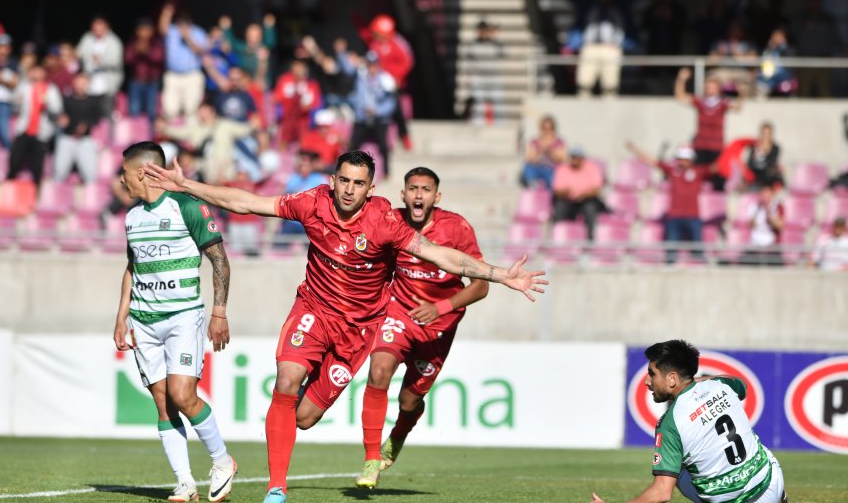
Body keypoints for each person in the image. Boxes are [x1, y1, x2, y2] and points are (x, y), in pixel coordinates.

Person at [143, 150, 548, 503]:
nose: (350, 190)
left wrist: (500, 275)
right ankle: (276, 488)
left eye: (360, 183)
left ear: (371, 188)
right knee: (286, 380)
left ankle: (308, 402)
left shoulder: (384, 221)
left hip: (357, 331)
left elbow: (442, 256)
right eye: (345, 181)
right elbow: (247, 202)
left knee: (303, 417)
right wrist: (188, 185)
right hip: (314, 311)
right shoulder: (311, 203)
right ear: (332, 181)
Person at [113, 142, 237, 503]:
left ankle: (222, 460)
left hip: (183, 316)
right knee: (163, 403)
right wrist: (121, 316)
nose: (121, 182)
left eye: (124, 174)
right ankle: (185, 483)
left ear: (141, 172)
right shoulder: (132, 217)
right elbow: (132, 268)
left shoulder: (187, 205)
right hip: (144, 322)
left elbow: (220, 260)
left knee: (183, 395)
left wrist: (219, 312)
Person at [354, 166, 489, 488]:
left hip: (438, 326)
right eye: (412, 188)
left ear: (436, 197)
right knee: (378, 370)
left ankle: (399, 434)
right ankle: (371, 458)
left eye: (425, 189)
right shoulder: (392, 221)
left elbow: (481, 286)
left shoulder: (455, 228)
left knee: (409, 401)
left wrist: (439, 308)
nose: (418, 194)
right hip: (398, 313)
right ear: (403, 194)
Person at [590, 340, 787, 503]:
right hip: (770, 481)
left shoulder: (670, 423)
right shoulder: (721, 386)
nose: (647, 381)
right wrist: (694, 384)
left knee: (677, 469)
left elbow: (661, 493)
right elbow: (740, 384)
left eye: (652, 374)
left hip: (734, 500)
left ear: (672, 379)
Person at [626, 142, 711, 264]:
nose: (681, 162)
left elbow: (716, 167)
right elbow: (652, 161)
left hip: (693, 217)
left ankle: (704, 269)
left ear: (691, 160)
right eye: (680, 159)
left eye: (685, 159)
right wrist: (635, 149)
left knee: (698, 250)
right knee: (671, 251)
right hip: (674, 217)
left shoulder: (698, 172)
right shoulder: (672, 171)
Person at [561, 0, 644, 97]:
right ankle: (583, 102)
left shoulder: (620, 5)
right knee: (584, 83)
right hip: (590, 47)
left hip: (611, 48)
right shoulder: (587, 5)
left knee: (610, 86)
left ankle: (610, 103)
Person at [674, 67, 741, 191]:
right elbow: (680, 96)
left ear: (718, 89)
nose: (709, 89)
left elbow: (738, 107)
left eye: (712, 86)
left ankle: (718, 208)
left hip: (716, 148)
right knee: (697, 179)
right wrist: (681, 80)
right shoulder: (700, 102)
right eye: (707, 86)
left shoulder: (723, 104)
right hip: (701, 147)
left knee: (718, 181)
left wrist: (740, 92)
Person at [360, 14, 413, 150]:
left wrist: (395, 77)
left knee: (397, 112)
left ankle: (404, 136)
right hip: (377, 85)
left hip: (394, 85)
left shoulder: (398, 43)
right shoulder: (374, 44)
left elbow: (407, 62)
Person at [344, 51, 396, 177]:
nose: (372, 67)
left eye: (374, 65)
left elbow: (391, 103)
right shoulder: (361, 77)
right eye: (369, 64)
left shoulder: (386, 80)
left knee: (383, 146)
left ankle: (387, 172)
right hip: (362, 117)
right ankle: (347, 169)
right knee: (353, 144)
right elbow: (346, 68)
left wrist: (377, 110)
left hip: (379, 119)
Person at [8, 65, 62, 187]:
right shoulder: (24, 86)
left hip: (41, 132)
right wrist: (18, 101)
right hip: (24, 129)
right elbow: (14, 106)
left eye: (39, 71)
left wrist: (47, 103)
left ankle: (36, 191)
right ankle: (9, 185)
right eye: (34, 71)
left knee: (38, 165)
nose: (37, 74)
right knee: (14, 160)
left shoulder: (51, 89)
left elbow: (57, 110)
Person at [159, 4, 208, 120]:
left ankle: (190, 137)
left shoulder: (199, 32)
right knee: (170, 109)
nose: (182, 26)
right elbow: (162, 29)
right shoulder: (173, 31)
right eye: (180, 23)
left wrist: (188, 38)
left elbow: (200, 51)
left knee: (191, 110)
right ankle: (172, 136)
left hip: (192, 76)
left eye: (185, 23)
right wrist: (166, 13)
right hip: (173, 75)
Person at [792, 0, 843, 98]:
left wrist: (842, 50)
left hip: (824, 61)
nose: (816, 2)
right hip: (805, 61)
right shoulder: (801, 18)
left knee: (825, 92)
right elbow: (793, 37)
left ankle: (829, 114)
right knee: (803, 92)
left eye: (818, 0)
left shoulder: (827, 19)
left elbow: (836, 39)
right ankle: (799, 113)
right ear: (809, 1)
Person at [53, 73, 102, 183]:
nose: (80, 86)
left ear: (87, 84)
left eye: (83, 83)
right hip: (67, 138)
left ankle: (91, 198)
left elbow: (97, 118)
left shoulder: (93, 101)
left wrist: (86, 125)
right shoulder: (66, 99)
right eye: (78, 83)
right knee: (59, 173)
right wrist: (60, 119)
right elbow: (58, 115)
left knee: (90, 175)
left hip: (85, 140)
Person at [76, 15, 124, 122]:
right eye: (95, 27)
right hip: (90, 85)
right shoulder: (87, 38)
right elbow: (79, 53)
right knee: (90, 114)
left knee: (107, 114)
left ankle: (107, 137)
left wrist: (100, 60)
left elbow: (116, 61)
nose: (97, 30)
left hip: (107, 86)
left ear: (106, 27)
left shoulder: (114, 41)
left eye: (100, 27)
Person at [552, 147, 605, 240]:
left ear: (582, 158)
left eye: (578, 158)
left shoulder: (591, 168)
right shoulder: (563, 169)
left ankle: (590, 240)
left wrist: (584, 195)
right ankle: (557, 238)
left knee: (591, 208)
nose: (575, 160)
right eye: (573, 157)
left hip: (586, 200)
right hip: (567, 201)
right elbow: (557, 190)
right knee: (559, 207)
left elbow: (597, 189)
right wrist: (566, 193)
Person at [272, 59, 320, 149]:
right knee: (283, 140)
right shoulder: (285, 79)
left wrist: (307, 105)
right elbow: (276, 97)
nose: (299, 70)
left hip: (303, 119)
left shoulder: (311, 84)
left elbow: (315, 103)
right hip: (286, 118)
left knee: (304, 143)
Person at [463, 20, 504, 125]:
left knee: (497, 101)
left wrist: (495, 38)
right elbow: (469, 61)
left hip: (493, 76)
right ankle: (478, 123)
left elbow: (504, 52)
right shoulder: (473, 44)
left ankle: (499, 124)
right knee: (478, 102)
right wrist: (469, 76)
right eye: (480, 30)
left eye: (484, 30)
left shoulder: (494, 44)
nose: (482, 32)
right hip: (479, 76)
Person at [124, 17, 165, 124]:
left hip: (152, 83)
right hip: (136, 82)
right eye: (142, 30)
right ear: (137, 31)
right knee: (134, 110)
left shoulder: (156, 43)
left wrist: (148, 52)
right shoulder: (133, 43)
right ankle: (136, 138)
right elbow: (127, 59)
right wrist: (136, 51)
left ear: (152, 31)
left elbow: (159, 58)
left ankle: (150, 139)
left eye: (147, 30)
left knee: (152, 111)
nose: (144, 33)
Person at [707, 21, 758, 99]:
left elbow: (753, 60)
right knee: (712, 78)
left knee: (747, 82)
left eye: (736, 29)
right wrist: (721, 54)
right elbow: (711, 60)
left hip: (741, 72)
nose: (733, 32)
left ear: (741, 31)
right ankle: (714, 104)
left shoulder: (748, 44)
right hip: (723, 71)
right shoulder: (720, 43)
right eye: (732, 30)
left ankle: (746, 105)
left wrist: (738, 55)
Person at [740, 183, 785, 266]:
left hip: (771, 244)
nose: (765, 197)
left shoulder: (778, 207)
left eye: (767, 194)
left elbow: (780, 226)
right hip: (755, 244)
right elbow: (751, 225)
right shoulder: (754, 207)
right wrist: (757, 212)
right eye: (763, 194)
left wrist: (769, 214)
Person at [521, 115, 566, 189]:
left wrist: (550, 151)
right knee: (528, 167)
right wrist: (541, 151)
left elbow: (562, 159)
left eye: (550, 128)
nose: (547, 131)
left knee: (553, 178)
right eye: (544, 128)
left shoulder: (559, 142)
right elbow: (530, 159)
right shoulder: (534, 141)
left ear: (553, 129)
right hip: (537, 168)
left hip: (551, 169)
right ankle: (532, 184)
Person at [756, 28, 794, 99]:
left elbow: (789, 56)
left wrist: (782, 45)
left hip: (783, 74)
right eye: (775, 36)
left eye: (779, 36)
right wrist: (771, 47)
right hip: (768, 73)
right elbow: (764, 58)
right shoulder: (768, 49)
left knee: (771, 79)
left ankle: (765, 89)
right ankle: (761, 94)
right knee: (760, 78)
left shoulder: (787, 49)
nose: (776, 38)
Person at [746, 122, 783, 190]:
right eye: (764, 133)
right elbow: (749, 163)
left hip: (767, 177)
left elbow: (772, 163)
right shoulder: (754, 146)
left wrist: (766, 151)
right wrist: (756, 155)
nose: (766, 136)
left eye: (768, 133)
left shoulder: (775, 148)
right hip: (755, 176)